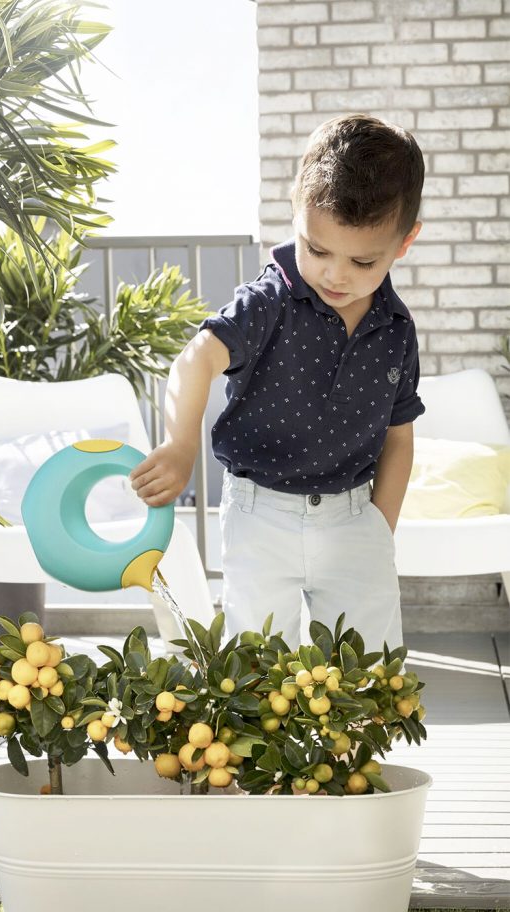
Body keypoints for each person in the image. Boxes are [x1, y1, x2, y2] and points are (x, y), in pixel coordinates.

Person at [129, 114, 426, 653]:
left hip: (354, 516)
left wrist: (379, 530)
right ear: (295, 215)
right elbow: (196, 360)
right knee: (260, 667)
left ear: (405, 242)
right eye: (317, 249)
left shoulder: (397, 331)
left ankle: (354, 741)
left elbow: (398, 437)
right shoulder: (267, 302)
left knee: (367, 673)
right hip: (259, 516)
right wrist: (178, 445)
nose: (336, 274)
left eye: (362, 260)